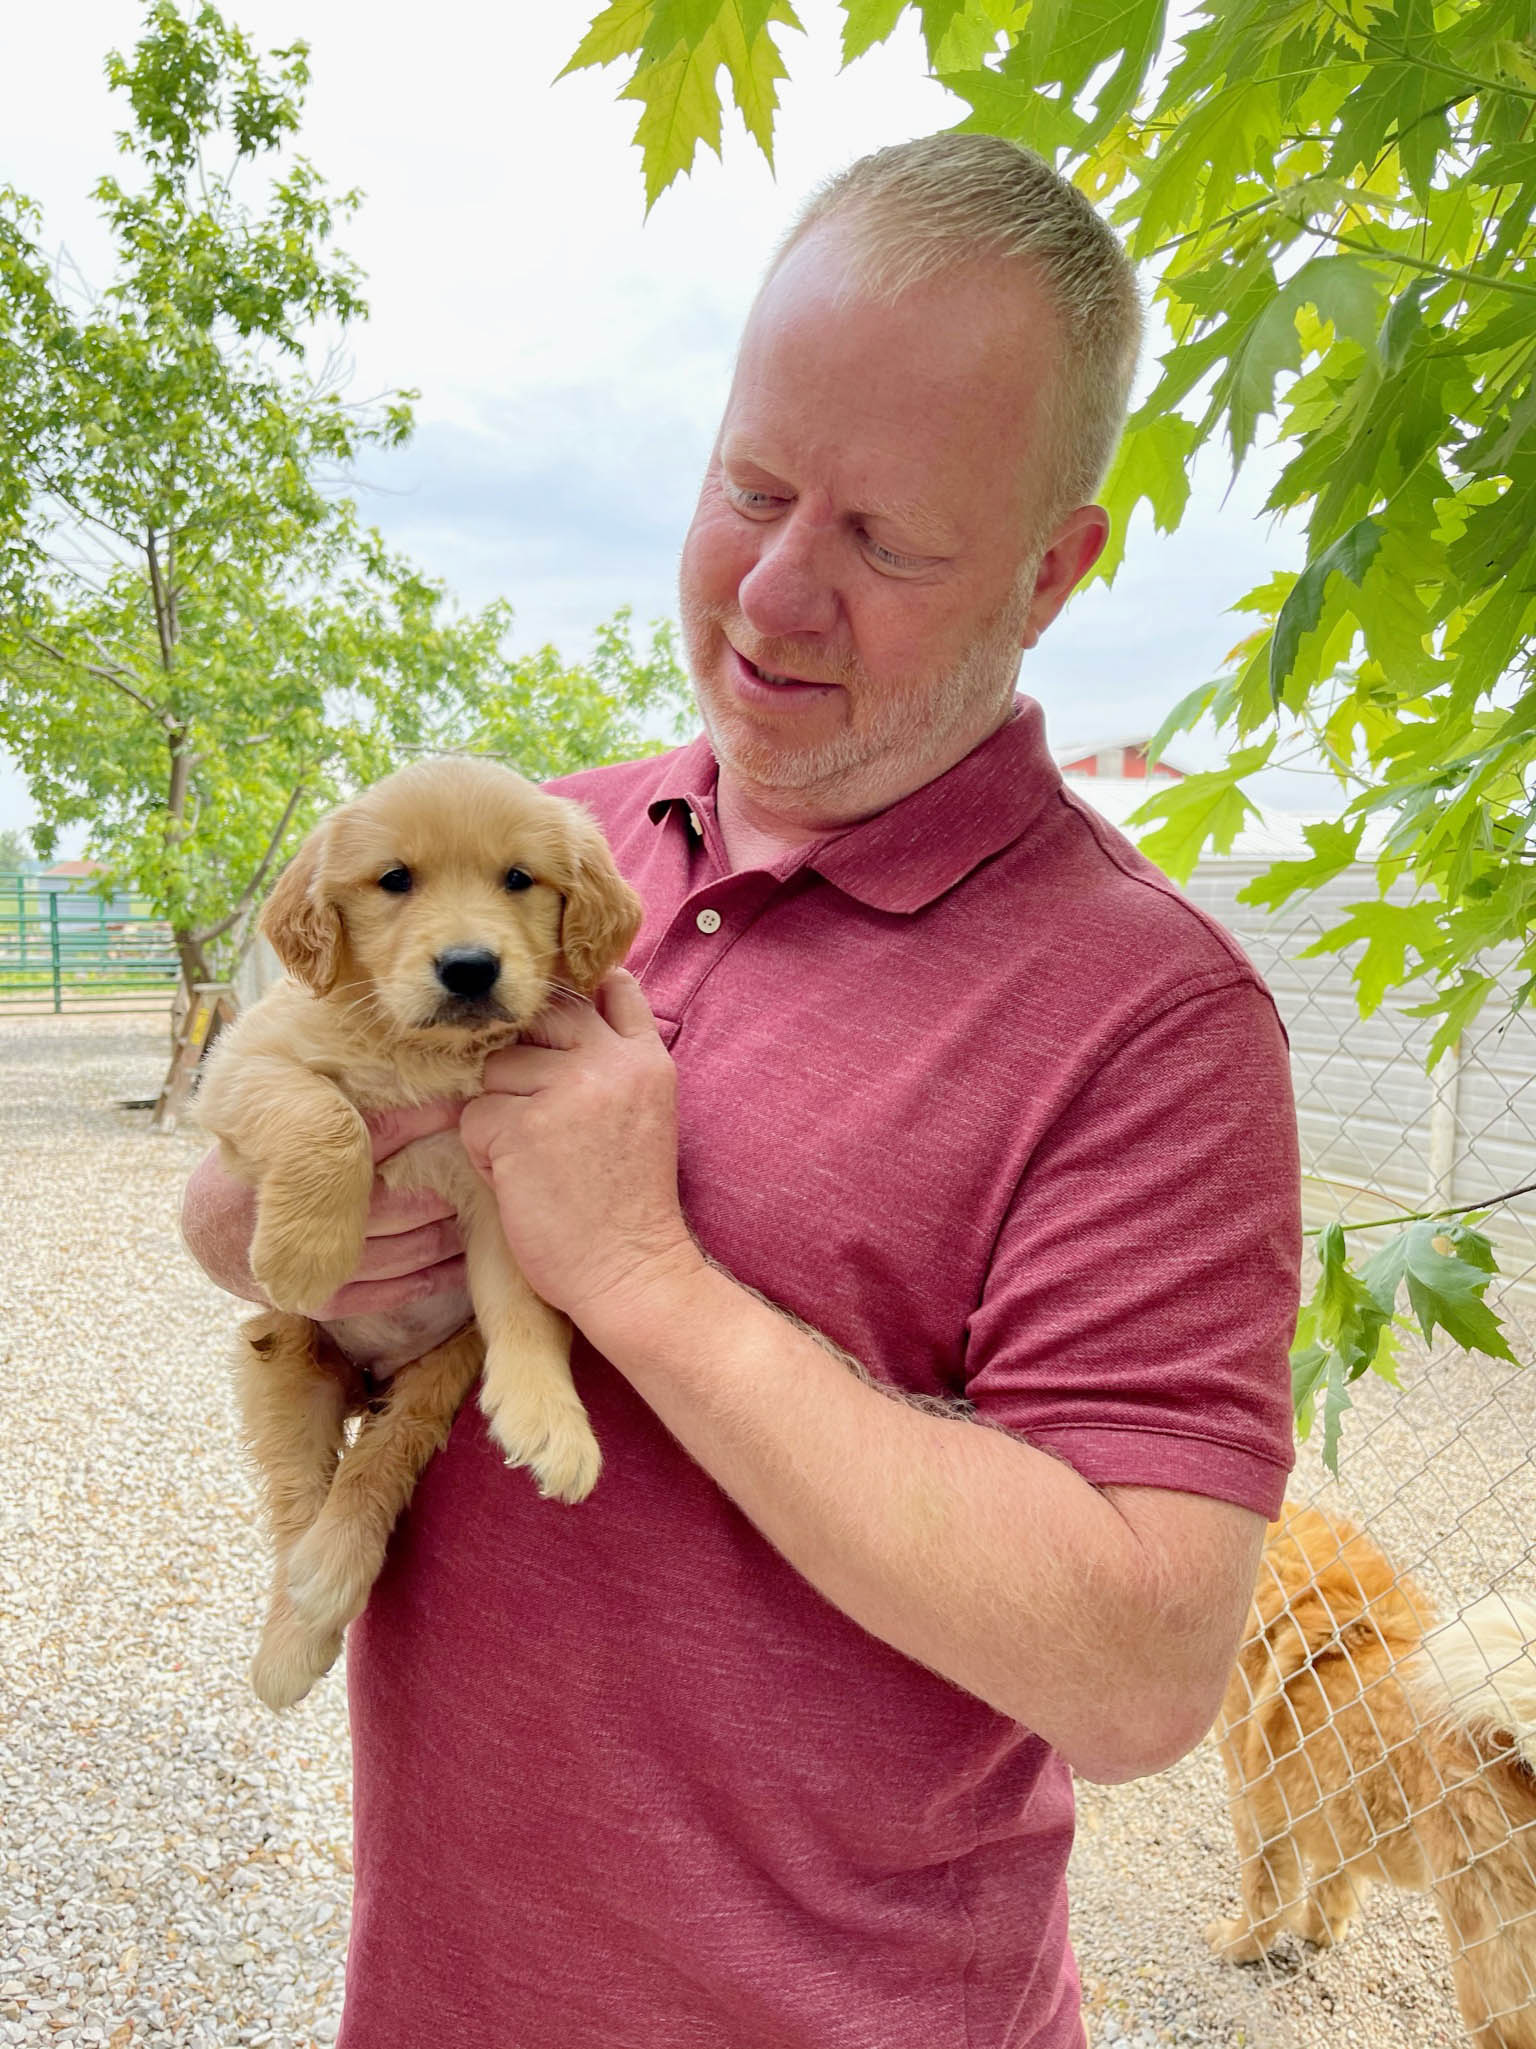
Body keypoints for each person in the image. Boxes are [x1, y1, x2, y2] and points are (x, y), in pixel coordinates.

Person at [183, 133, 1300, 2049]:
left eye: (888, 539)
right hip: (440, 1991)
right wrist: (262, 1202)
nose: (777, 595)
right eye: (752, 485)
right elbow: (247, 1208)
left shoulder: (1150, 1022)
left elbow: (1135, 1675)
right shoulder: (556, 846)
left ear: (1052, 571)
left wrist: (645, 1275)